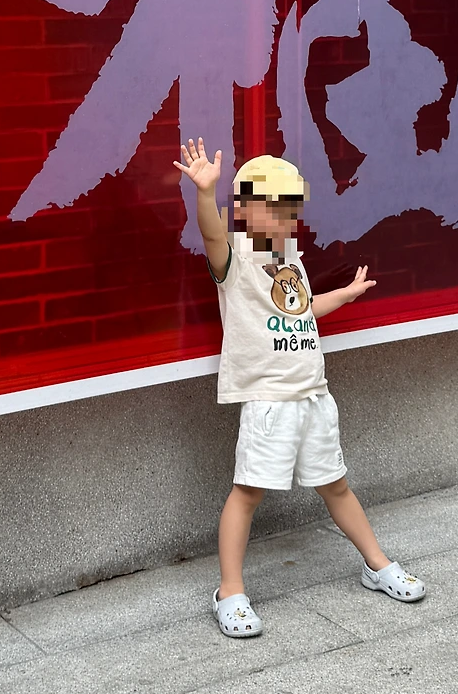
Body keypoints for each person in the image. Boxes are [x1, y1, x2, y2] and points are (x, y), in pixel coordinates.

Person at [176, 139, 426, 638]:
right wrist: (205, 193)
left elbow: (302, 310)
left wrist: (345, 295)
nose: (282, 218)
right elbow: (211, 236)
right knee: (248, 492)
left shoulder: (290, 258)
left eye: (289, 208)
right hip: (269, 402)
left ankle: (377, 564)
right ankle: (230, 592)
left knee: (336, 484)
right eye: (271, 207)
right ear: (244, 209)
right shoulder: (237, 260)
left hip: (314, 395)